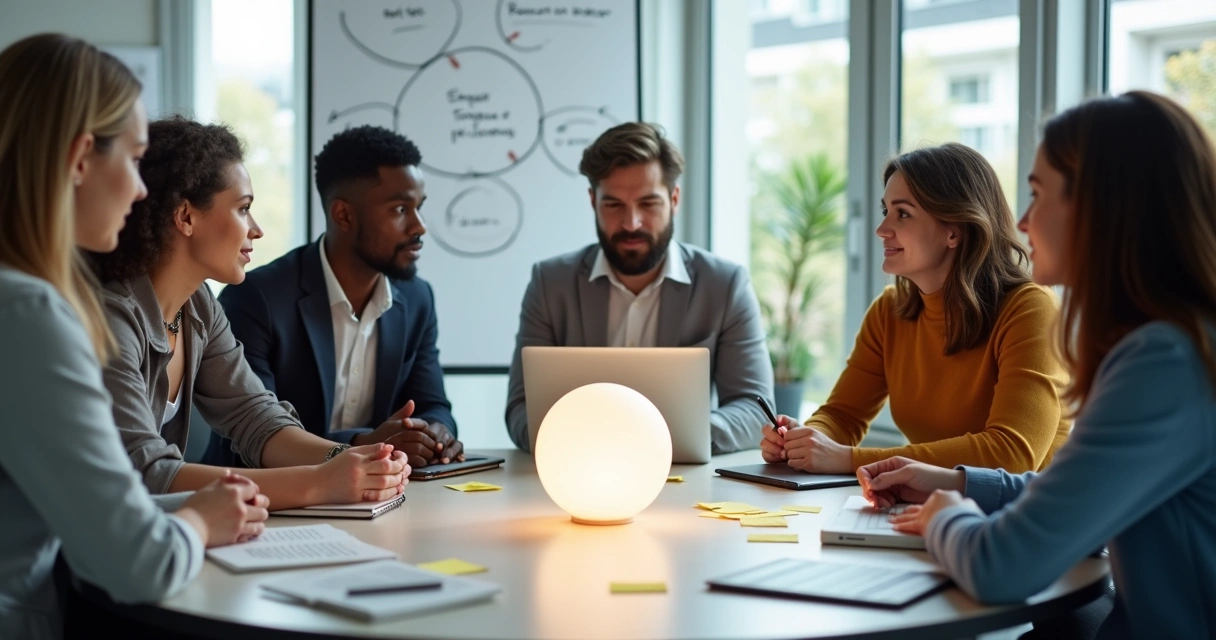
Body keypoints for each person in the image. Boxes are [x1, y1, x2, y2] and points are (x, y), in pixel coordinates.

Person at [858, 91, 1216, 639]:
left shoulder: (1164, 362)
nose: (1022, 221)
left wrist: (943, 515)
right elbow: (1084, 490)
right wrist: (959, 482)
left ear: (1103, 207)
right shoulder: (1172, 342)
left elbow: (1002, 567)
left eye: (1038, 194)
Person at [0, 34, 267, 639]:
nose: (142, 189)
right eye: (131, 159)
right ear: (78, 159)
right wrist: (201, 522)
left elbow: (87, 510)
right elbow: (138, 563)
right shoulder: (32, 315)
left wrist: (199, 509)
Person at [89, 117, 409, 510]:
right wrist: (317, 484)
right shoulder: (112, 316)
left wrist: (350, 459)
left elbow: (256, 417)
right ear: (186, 217)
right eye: (243, 209)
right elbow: (144, 472)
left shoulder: (199, 305)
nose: (256, 230)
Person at [761, 143, 1069, 474]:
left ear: (954, 231)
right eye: (885, 211)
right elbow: (843, 415)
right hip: (928, 508)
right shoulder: (889, 312)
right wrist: (804, 440)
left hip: (1027, 515)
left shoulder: (1032, 310)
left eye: (903, 213)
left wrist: (849, 459)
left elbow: (1011, 454)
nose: (882, 230)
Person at [505, 122, 773, 454]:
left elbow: (754, 409)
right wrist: (590, 441)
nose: (631, 223)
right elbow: (520, 409)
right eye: (614, 205)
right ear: (593, 201)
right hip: (577, 475)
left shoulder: (724, 285)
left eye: (648, 203)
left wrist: (652, 438)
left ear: (674, 199)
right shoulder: (550, 283)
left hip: (681, 479)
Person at [205, 125, 462, 470]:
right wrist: (361, 445)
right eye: (400, 210)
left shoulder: (417, 300)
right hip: (268, 501)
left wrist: (433, 433)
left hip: (379, 495)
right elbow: (248, 438)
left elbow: (434, 404)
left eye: (419, 207)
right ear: (344, 215)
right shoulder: (256, 298)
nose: (419, 226)